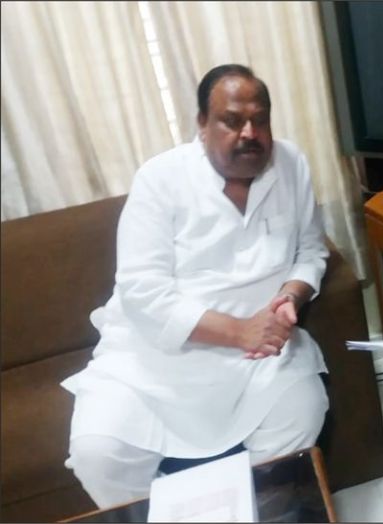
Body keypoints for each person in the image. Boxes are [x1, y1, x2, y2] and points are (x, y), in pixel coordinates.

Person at [62, 64, 331, 508]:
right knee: (98, 454)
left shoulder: (291, 163)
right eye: (232, 121)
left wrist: (290, 296)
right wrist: (239, 331)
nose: (250, 133)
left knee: (302, 412)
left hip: (259, 360)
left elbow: (311, 251)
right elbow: (142, 291)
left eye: (260, 120)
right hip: (158, 362)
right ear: (202, 124)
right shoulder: (160, 178)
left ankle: (247, 511)